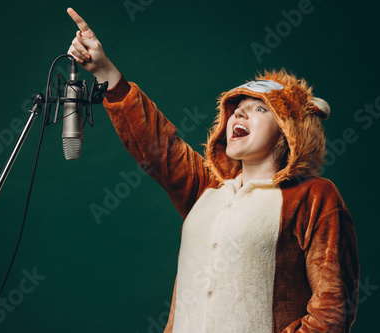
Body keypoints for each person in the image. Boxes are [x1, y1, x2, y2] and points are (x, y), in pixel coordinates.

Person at [66, 7, 359, 333]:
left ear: (289, 131)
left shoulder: (314, 197)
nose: (239, 117)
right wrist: (104, 71)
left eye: (259, 109)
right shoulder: (208, 187)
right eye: (237, 110)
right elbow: (157, 146)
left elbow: (333, 310)